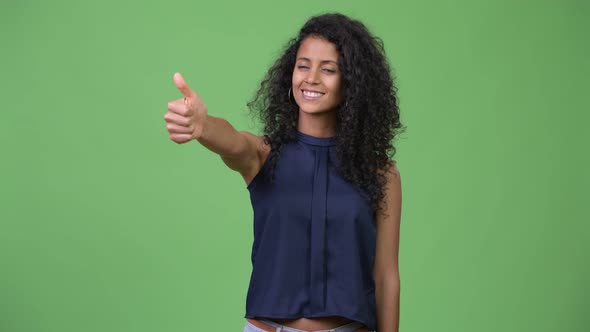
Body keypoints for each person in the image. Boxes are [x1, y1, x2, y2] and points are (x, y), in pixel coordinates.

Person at [164, 13, 403, 332]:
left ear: (352, 83)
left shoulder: (381, 173)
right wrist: (203, 126)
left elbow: (386, 277)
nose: (311, 78)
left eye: (328, 69)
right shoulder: (263, 156)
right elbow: (232, 141)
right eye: (303, 65)